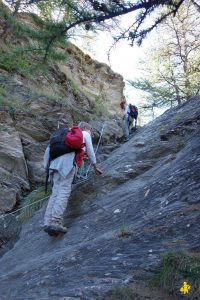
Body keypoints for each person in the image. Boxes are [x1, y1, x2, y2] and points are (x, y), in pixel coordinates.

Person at [43, 121, 102, 234]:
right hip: (67, 163)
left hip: (53, 164)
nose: (91, 133)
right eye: (91, 131)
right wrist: (95, 166)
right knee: (64, 191)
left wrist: (47, 168)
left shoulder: (62, 135)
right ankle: (56, 222)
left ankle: (47, 222)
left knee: (55, 192)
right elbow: (90, 151)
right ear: (85, 128)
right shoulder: (84, 134)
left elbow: (48, 151)